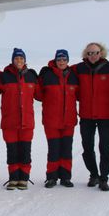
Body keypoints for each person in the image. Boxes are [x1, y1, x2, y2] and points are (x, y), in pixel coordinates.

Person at [73, 42, 109, 191]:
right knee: (87, 148)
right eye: (90, 53)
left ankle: (104, 178)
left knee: (105, 148)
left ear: (102, 53)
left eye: (96, 52)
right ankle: (94, 175)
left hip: (105, 115)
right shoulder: (78, 69)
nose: (93, 56)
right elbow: (61, 69)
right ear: (85, 54)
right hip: (86, 115)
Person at [0, 48, 40, 190]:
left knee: (25, 151)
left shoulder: (32, 76)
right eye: (16, 59)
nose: (19, 61)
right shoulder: (4, 77)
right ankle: (13, 178)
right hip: (9, 122)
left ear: (25, 60)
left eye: (21, 59)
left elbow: (41, 95)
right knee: (12, 151)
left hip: (27, 122)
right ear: (12, 60)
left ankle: (24, 178)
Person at [38, 49, 79, 188]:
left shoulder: (73, 76)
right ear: (55, 61)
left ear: (68, 61)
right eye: (59, 60)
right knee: (54, 149)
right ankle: (52, 177)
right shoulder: (47, 75)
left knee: (67, 149)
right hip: (51, 120)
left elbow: (79, 94)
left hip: (69, 120)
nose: (61, 62)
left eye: (64, 60)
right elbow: (38, 95)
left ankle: (66, 177)